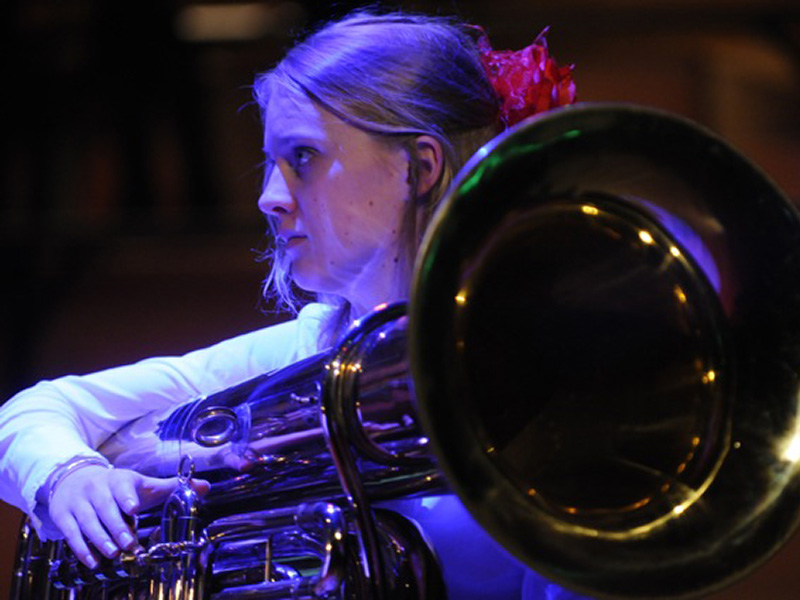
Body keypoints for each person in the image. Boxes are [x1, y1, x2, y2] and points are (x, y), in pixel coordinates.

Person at [0, 10, 577, 599]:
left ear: (418, 167)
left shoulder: (552, 381)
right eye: (269, 163)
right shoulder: (309, 347)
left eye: (302, 156)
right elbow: (35, 411)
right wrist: (69, 476)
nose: (268, 198)